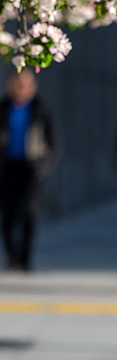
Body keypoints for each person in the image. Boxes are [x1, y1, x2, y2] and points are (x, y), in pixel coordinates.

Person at [0, 69, 57, 271]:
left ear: (33, 86)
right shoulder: (3, 108)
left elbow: (52, 142)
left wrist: (42, 165)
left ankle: (25, 258)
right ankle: (11, 254)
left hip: (30, 168)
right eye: (17, 83)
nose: (21, 87)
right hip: (6, 167)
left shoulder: (40, 109)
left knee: (28, 213)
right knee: (7, 214)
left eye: (25, 83)